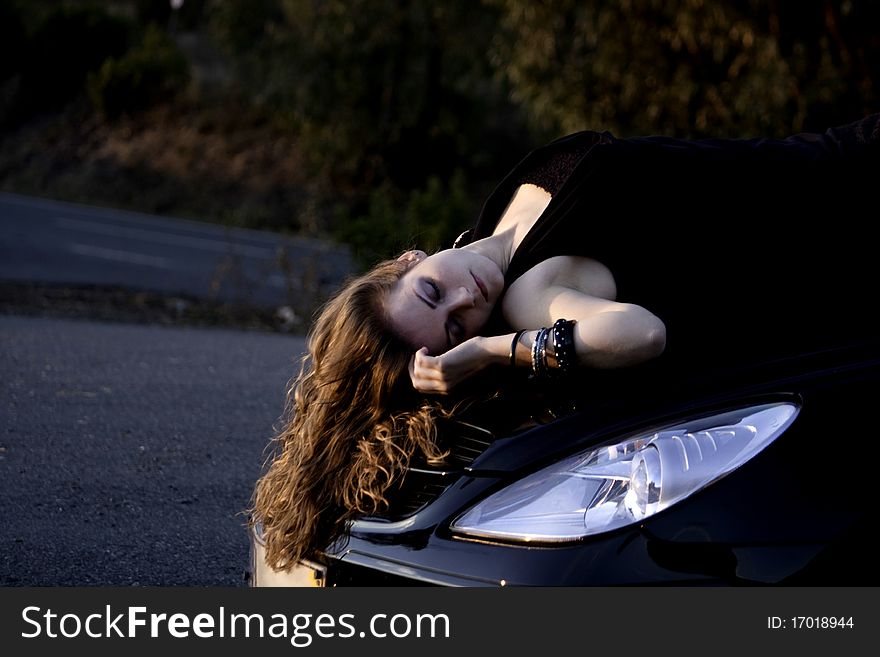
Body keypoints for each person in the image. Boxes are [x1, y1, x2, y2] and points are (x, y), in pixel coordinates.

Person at [253, 113, 879, 572]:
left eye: (429, 292)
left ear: (409, 260)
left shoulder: (496, 217)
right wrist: (494, 351)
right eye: (453, 329)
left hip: (837, 158)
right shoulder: (532, 296)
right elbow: (643, 333)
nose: (465, 302)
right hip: (846, 211)